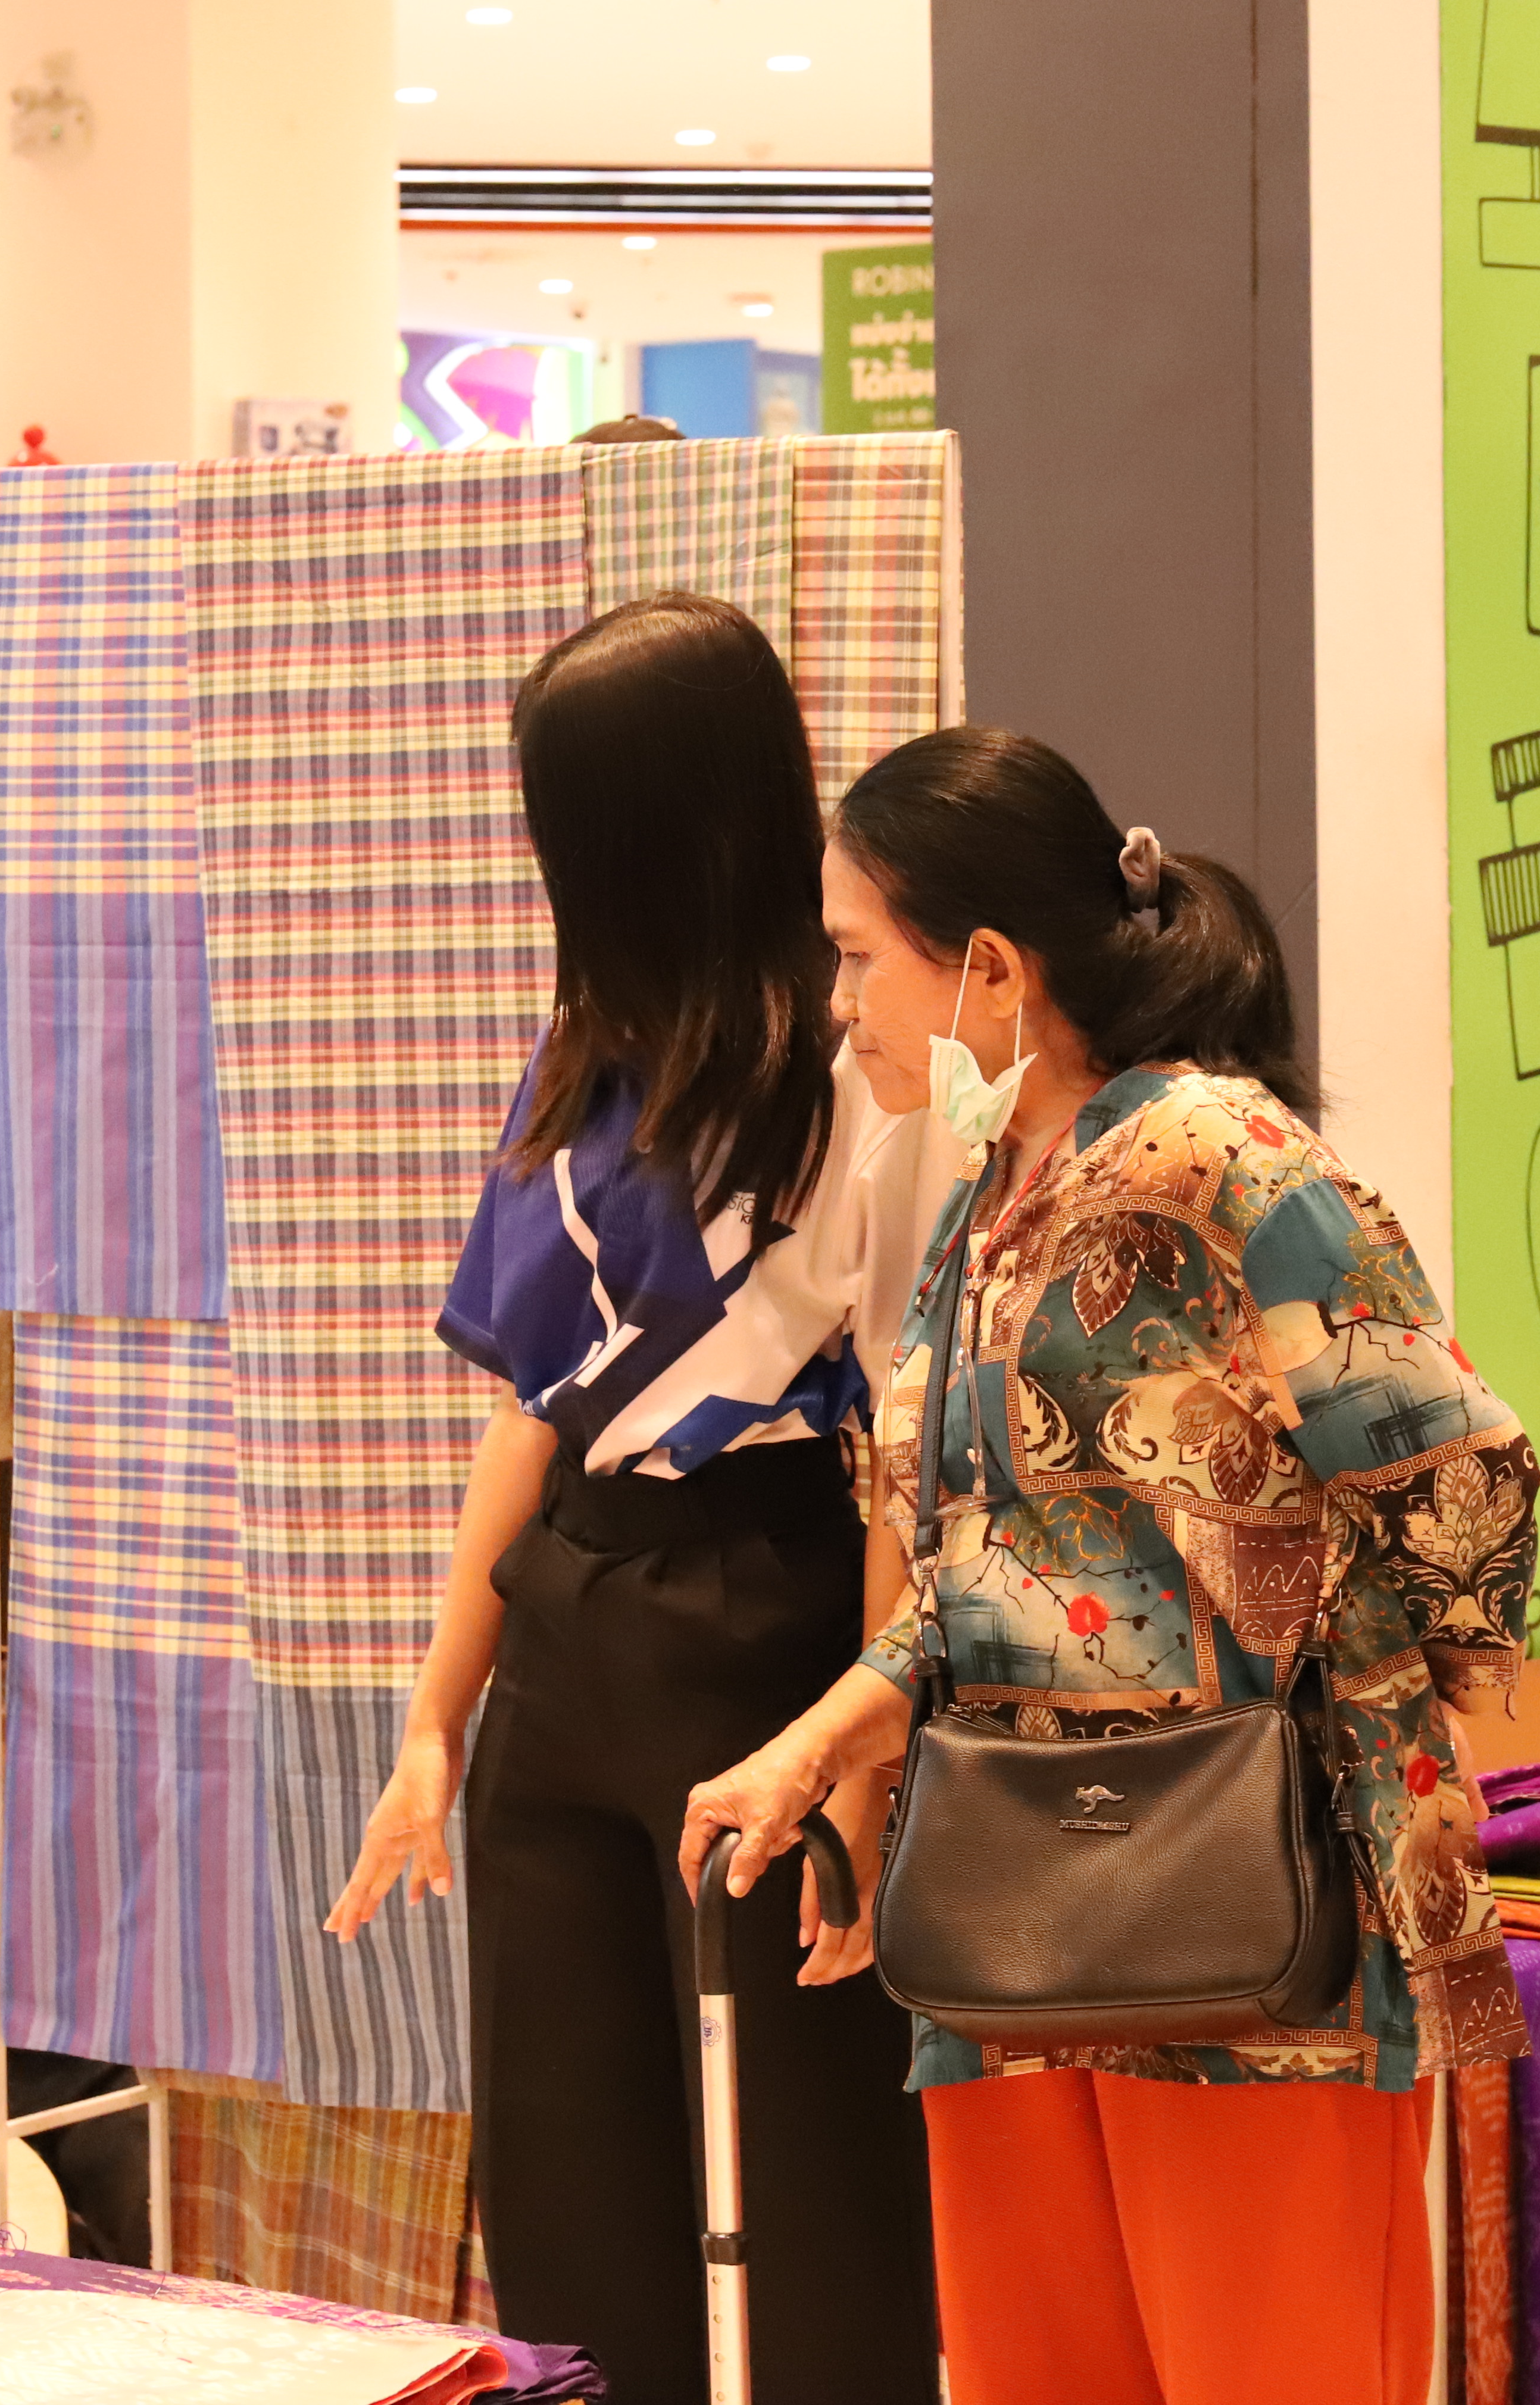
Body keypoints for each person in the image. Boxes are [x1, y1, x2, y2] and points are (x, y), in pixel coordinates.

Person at [679, 726, 1538, 2405]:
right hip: (1017, 1920)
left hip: (1262, 1923)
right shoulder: (986, 1201)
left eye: (859, 957)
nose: (842, 1008)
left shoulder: (1223, 1159)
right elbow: (992, 1572)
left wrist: (1371, 1725)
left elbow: (1460, 1476)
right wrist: (825, 1743)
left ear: (992, 969)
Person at [326, 594, 945, 2405]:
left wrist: (863, 1767)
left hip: (770, 1622)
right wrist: (434, 1721)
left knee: (801, 2189)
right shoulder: (583, 1060)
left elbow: (902, 1452)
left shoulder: (857, 1071)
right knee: (569, 2185)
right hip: (568, 1628)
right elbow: (534, 1410)